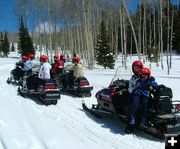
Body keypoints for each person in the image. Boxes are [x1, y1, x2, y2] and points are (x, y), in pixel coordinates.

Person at [125, 67, 158, 133]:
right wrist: (135, 87)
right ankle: (132, 119)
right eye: (142, 74)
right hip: (137, 94)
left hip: (145, 95)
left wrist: (152, 87)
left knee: (144, 106)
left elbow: (155, 84)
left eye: (145, 74)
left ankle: (144, 121)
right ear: (140, 75)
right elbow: (134, 86)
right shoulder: (138, 80)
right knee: (135, 105)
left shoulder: (150, 81)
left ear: (148, 75)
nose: (144, 76)